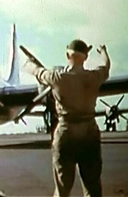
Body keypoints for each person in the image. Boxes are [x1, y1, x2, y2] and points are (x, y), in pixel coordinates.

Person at [24, 39, 110, 197]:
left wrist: (29, 63)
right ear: (85, 58)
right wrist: (103, 52)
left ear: (67, 55)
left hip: (65, 133)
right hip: (89, 133)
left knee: (62, 189)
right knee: (92, 187)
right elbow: (106, 67)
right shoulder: (94, 77)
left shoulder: (57, 77)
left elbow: (37, 71)